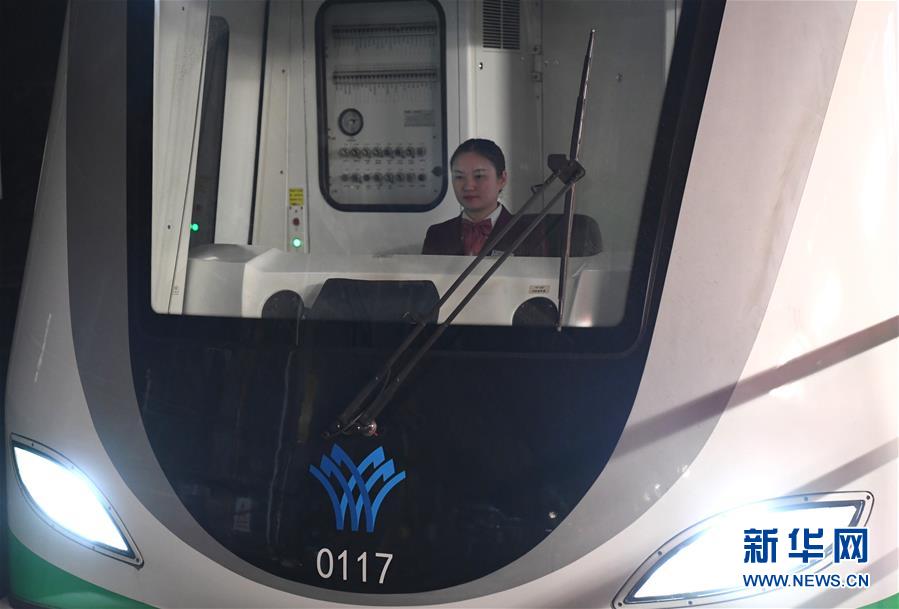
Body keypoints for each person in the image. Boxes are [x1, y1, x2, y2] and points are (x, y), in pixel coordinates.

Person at [422, 139, 546, 256]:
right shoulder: (437, 234)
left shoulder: (528, 234)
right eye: (459, 177)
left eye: (479, 176)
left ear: (502, 179)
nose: (468, 186)